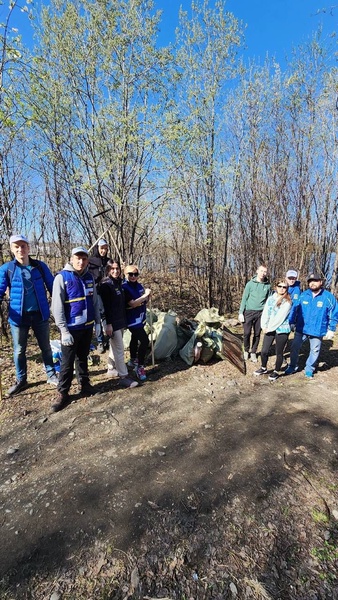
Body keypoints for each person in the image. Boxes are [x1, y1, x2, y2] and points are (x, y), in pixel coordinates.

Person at [0, 234, 58, 396]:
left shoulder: (40, 266)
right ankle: (21, 380)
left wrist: (61, 305)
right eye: (16, 247)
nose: (20, 250)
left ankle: (51, 374)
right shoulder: (7, 269)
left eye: (23, 246)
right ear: (12, 249)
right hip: (18, 317)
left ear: (28, 248)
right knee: (19, 350)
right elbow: (0, 289)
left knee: (46, 347)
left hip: (40, 314)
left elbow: (53, 286)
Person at [51, 247, 101, 412]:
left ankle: (84, 385)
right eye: (77, 258)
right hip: (70, 330)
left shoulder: (89, 277)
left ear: (87, 260)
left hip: (87, 327)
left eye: (84, 259)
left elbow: (94, 302)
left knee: (83, 357)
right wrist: (63, 330)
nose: (81, 262)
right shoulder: (62, 277)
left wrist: (98, 322)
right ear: (71, 259)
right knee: (66, 363)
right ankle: (62, 392)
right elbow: (57, 307)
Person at [285, 272, 338, 378]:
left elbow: (334, 313)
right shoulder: (303, 295)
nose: (312, 283)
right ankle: (292, 365)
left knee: (315, 350)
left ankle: (309, 368)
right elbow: (295, 309)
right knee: (295, 347)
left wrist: (331, 329)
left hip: (318, 330)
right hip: (301, 328)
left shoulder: (328, 297)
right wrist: (291, 322)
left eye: (315, 281)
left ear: (321, 282)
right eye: (310, 281)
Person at [99, 259, 138, 388]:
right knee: (120, 349)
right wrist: (108, 324)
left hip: (120, 320)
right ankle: (123, 376)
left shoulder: (118, 283)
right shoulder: (105, 285)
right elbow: (105, 307)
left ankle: (111, 368)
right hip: (112, 322)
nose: (115, 271)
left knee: (114, 346)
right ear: (108, 270)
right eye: (112, 269)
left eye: (117, 269)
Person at [253, 278, 292, 382]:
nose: (282, 289)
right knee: (264, 351)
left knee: (279, 352)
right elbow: (265, 313)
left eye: (284, 287)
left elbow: (280, 317)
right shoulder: (270, 299)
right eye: (280, 286)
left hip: (282, 329)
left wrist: (269, 328)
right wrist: (264, 326)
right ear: (276, 287)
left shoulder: (287, 301)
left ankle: (276, 370)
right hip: (269, 328)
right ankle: (263, 368)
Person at [122, 265, 151, 381]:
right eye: (130, 274)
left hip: (141, 317)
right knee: (145, 340)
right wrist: (144, 296)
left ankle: (133, 359)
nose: (133, 276)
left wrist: (148, 297)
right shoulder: (124, 287)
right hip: (132, 320)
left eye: (135, 274)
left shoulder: (139, 286)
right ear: (125, 274)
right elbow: (133, 303)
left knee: (134, 338)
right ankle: (140, 367)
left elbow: (143, 300)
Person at [238, 264, 271, 362]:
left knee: (257, 333)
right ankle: (246, 350)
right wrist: (241, 312)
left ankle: (253, 352)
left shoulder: (268, 286)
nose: (263, 273)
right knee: (247, 333)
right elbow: (244, 298)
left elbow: (268, 301)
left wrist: (267, 314)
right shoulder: (250, 284)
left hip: (260, 313)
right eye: (261, 271)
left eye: (265, 271)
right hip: (248, 312)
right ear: (257, 271)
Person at [88, 238, 111, 353]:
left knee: (107, 315)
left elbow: (114, 273)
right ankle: (100, 341)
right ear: (98, 248)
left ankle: (109, 338)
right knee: (98, 315)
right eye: (102, 248)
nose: (104, 251)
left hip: (107, 291)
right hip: (96, 292)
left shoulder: (108, 261)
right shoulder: (91, 260)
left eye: (106, 249)